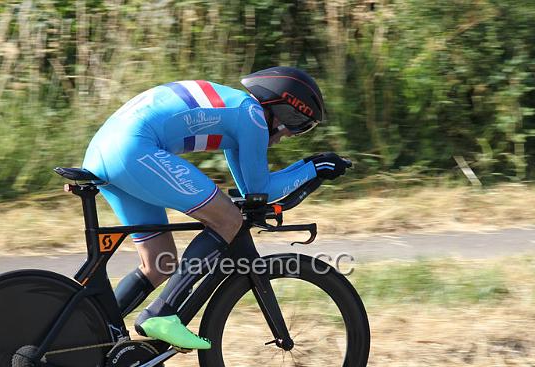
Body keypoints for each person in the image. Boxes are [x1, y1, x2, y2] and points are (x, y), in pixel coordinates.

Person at [82, 66, 351, 350]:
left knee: (159, 262)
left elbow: (253, 193)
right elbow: (265, 191)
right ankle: (162, 312)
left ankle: (90, 332)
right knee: (227, 219)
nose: (288, 136)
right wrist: (314, 167)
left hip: (104, 151)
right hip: (133, 149)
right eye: (297, 125)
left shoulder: (239, 112)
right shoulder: (253, 117)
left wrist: (307, 170)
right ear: (285, 110)